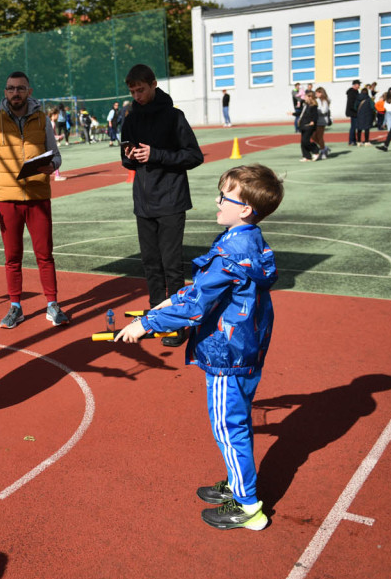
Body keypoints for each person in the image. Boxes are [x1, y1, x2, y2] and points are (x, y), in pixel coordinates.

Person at [116, 163, 284, 531]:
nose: (216, 201)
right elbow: (203, 288)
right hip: (245, 346)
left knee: (229, 428)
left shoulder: (230, 252)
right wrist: (165, 302)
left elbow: (196, 308)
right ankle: (237, 484)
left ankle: (247, 505)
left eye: (224, 196)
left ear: (244, 208)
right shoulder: (247, 240)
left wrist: (144, 325)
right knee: (231, 425)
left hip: (228, 352)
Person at [120, 63, 204, 347]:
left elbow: (194, 156)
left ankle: (178, 321)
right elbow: (126, 158)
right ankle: (156, 316)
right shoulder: (130, 118)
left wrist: (156, 154)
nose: (137, 95)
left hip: (171, 200)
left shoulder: (174, 116)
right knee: (150, 263)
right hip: (143, 202)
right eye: (132, 91)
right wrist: (130, 155)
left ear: (154, 84)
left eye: (140, 89)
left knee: (171, 265)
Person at [0, 71, 69, 329]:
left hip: (38, 196)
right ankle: (15, 306)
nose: (15, 93)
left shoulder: (42, 120)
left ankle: (52, 304)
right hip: (7, 198)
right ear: (5, 93)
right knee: (12, 256)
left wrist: (51, 165)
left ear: (29, 91)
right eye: (10, 89)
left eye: (20, 88)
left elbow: (57, 156)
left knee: (45, 254)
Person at [311, 87, 331, 159]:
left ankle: (323, 152)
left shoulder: (324, 101)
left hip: (322, 121)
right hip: (316, 120)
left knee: (320, 137)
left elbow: (324, 111)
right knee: (313, 136)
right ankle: (325, 148)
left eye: (317, 93)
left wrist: (316, 110)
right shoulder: (317, 100)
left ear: (321, 93)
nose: (316, 94)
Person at [344, 80, 361, 145]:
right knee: (353, 126)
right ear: (355, 85)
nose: (359, 86)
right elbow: (351, 103)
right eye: (358, 84)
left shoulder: (356, 91)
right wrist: (355, 109)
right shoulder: (352, 92)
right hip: (353, 111)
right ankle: (351, 141)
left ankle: (353, 140)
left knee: (354, 126)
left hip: (354, 111)